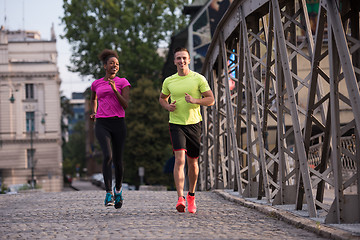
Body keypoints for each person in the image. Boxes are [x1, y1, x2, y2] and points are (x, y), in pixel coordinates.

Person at [159, 47, 215, 213]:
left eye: (184, 58)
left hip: (194, 124)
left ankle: (191, 195)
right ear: (174, 61)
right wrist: (167, 106)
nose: (181, 61)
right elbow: (162, 99)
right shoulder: (169, 81)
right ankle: (180, 198)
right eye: (178, 58)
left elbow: (211, 99)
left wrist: (195, 100)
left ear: (189, 60)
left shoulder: (198, 79)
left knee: (193, 162)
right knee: (180, 159)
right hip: (176, 124)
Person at [90, 49, 130, 209]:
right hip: (102, 123)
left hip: (118, 123)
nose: (115, 66)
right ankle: (108, 193)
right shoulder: (96, 83)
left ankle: (118, 190)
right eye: (112, 63)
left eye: (117, 64)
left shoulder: (123, 82)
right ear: (105, 66)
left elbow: (125, 104)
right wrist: (94, 111)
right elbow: (93, 98)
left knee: (118, 161)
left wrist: (115, 89)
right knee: (107, 155)